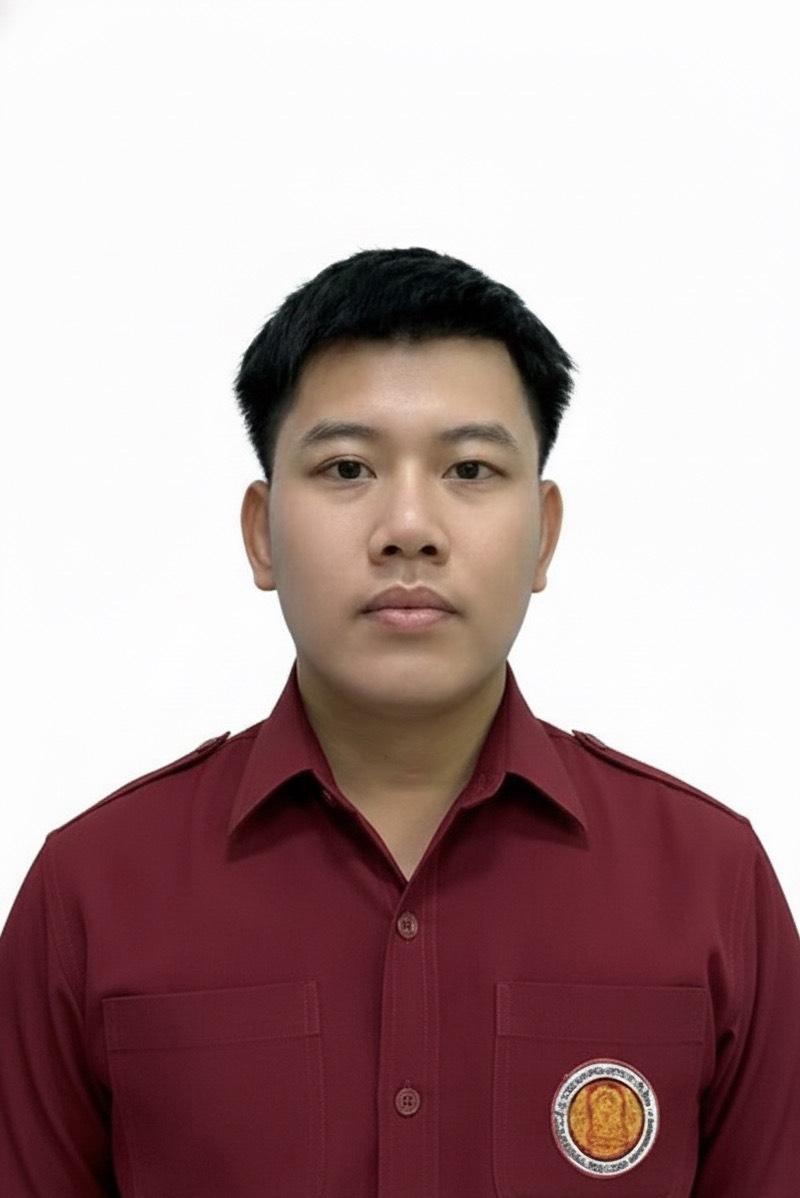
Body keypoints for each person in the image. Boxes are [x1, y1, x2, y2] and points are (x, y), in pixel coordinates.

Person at [1, 247, 797, 1197]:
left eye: (469, 468)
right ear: (261, 533)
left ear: (544, 532)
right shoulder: (90, 894)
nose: (408, 526)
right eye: (347, 467)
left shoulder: (711, 886)